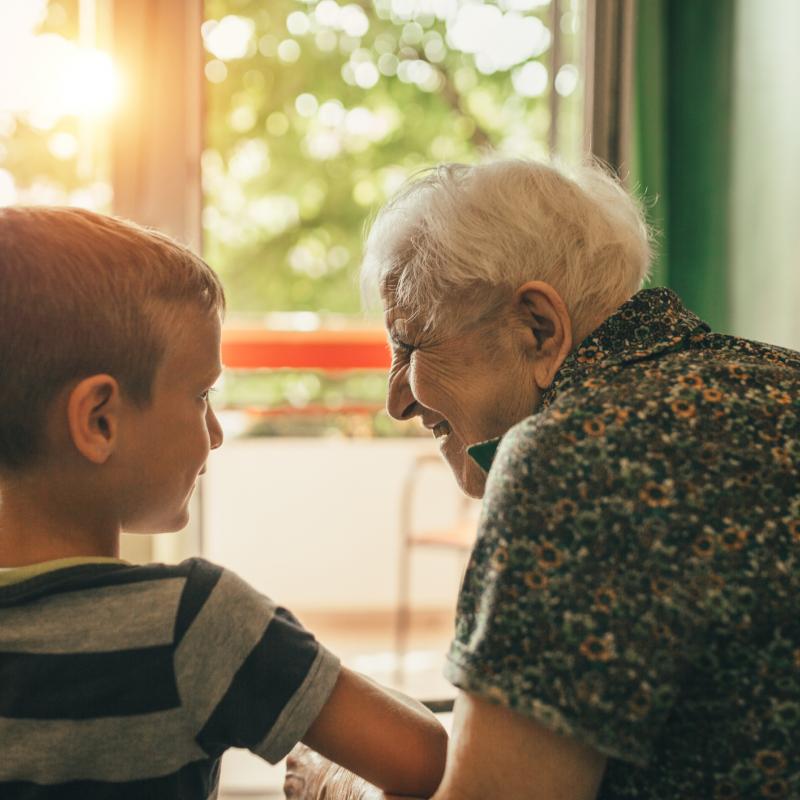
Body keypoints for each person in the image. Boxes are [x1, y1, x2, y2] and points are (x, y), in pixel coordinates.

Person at [296, 158, 800, 799]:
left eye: (409, 347)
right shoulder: (780, 375)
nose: (396, 401)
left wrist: (337, 785)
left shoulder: (573, 458)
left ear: (538, 328)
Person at [0, 206, 447, 799]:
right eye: (200, 395)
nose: (214, 432)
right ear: (99, 420)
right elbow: (422, 759)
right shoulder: (195, 624)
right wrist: (325, 779)